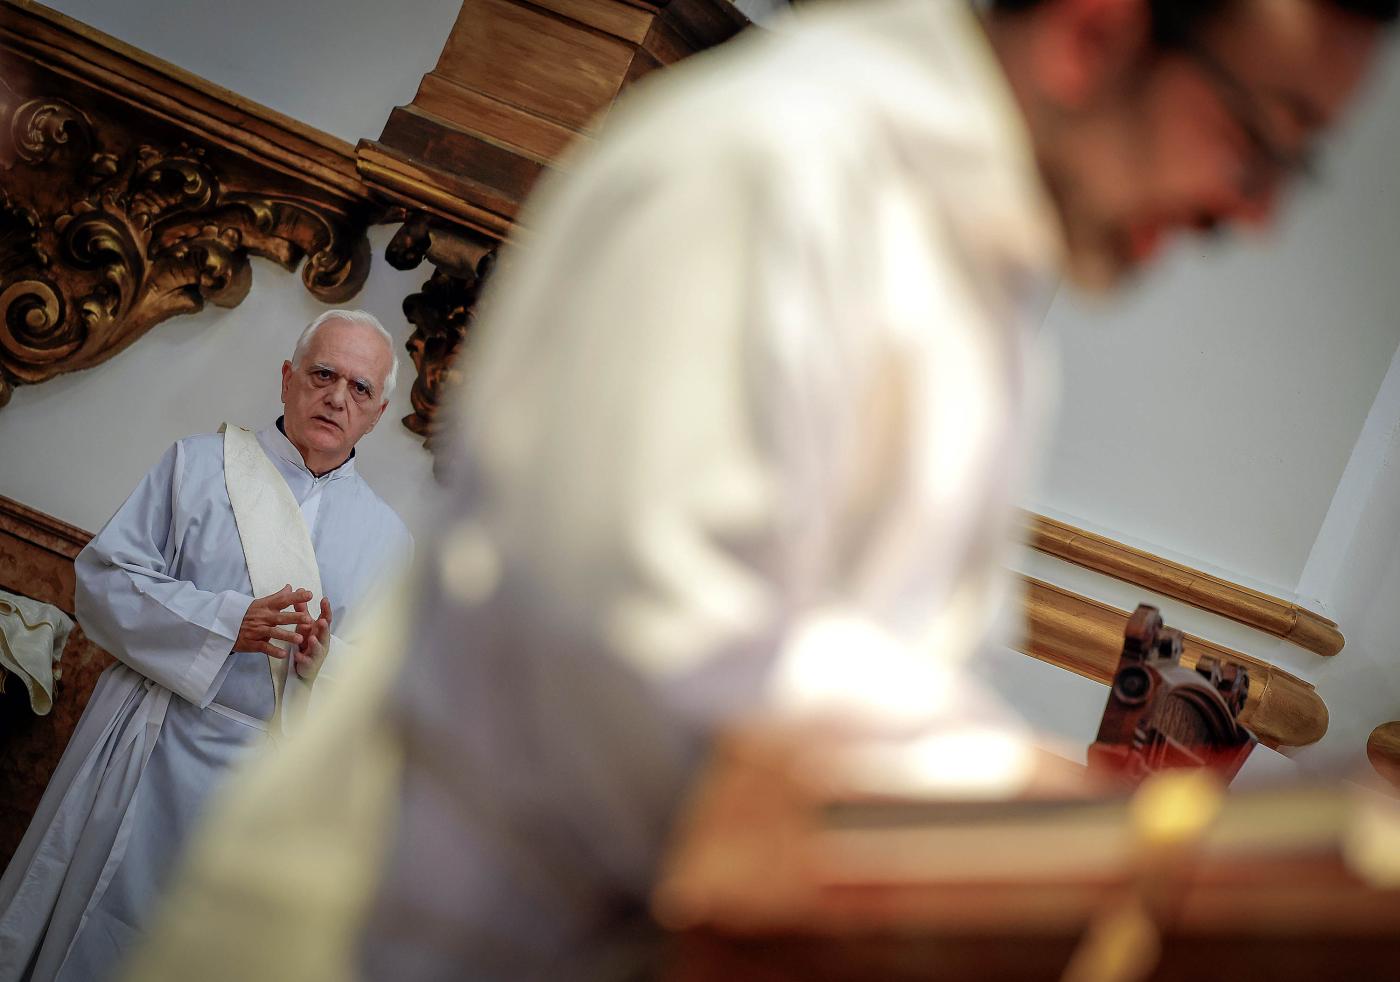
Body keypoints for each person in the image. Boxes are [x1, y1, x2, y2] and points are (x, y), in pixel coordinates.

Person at [127, 0, 1397, 979]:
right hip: (392, 933)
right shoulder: (776, 165)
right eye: (1261, 141)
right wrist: (1129, 860)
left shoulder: (983, 271)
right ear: (1093, 32)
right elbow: (649, 661)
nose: (1255, 216)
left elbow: (857, 669)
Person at [0, 310, 412, 982]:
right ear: (288, 379)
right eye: (324, 374)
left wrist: (323, 664)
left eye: (360, 389)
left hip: (264, 787)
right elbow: (105, 580)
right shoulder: (195, 466)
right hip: (147, 745)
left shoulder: (389, 541)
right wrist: (227, 622)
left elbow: (387, 683)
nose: (338, 397)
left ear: (378, 411)